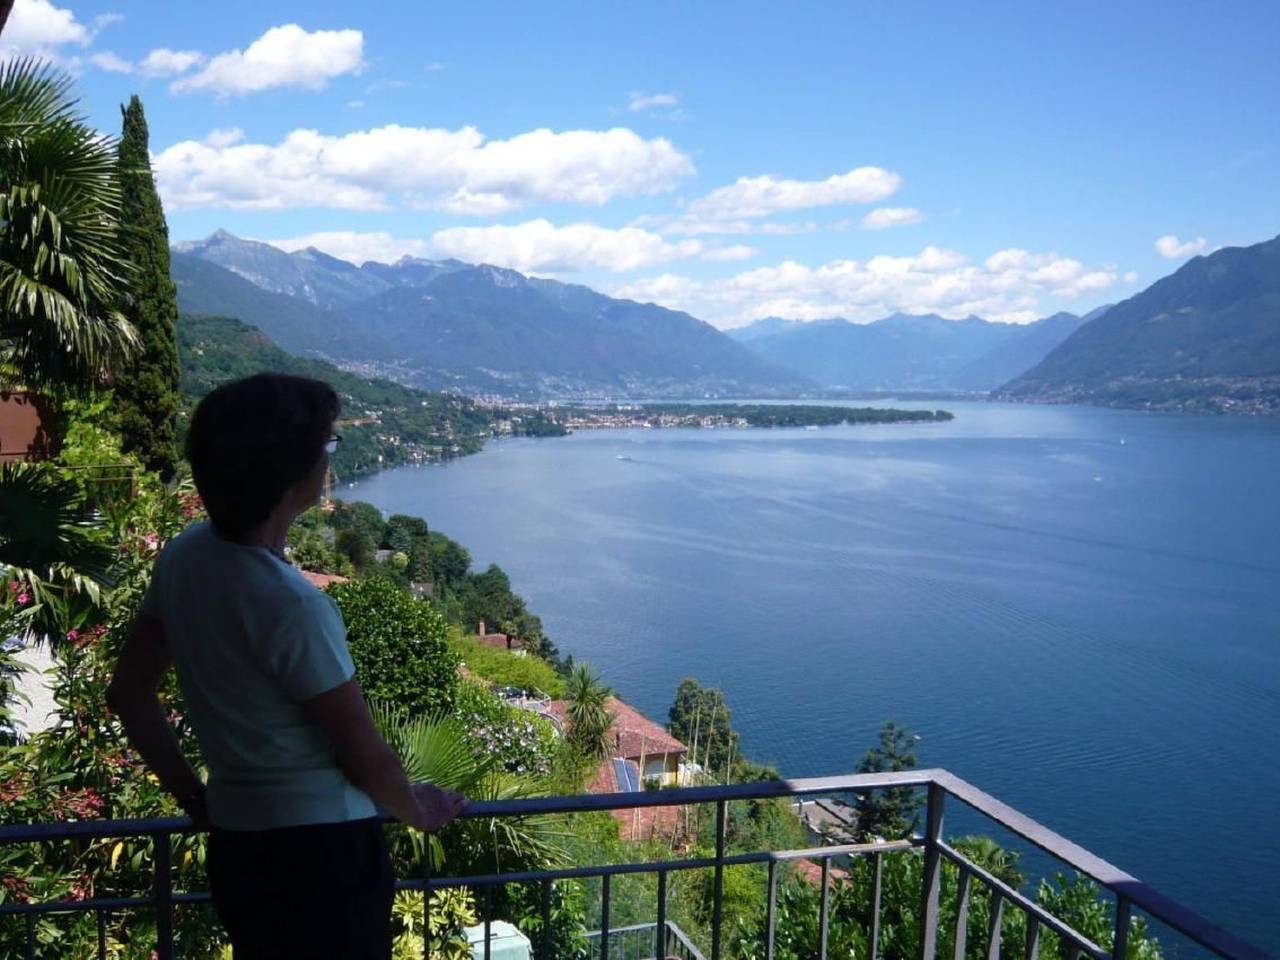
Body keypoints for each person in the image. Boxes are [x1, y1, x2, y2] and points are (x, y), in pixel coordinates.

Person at [107, 373, 467, 959]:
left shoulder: (184, 558)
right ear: (295, 472)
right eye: (327, 448)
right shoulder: (292, 605)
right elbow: (361, 754)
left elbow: (128, 694)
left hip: (239, 849)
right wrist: (417, 808)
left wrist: (196, 800)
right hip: (323, 862)